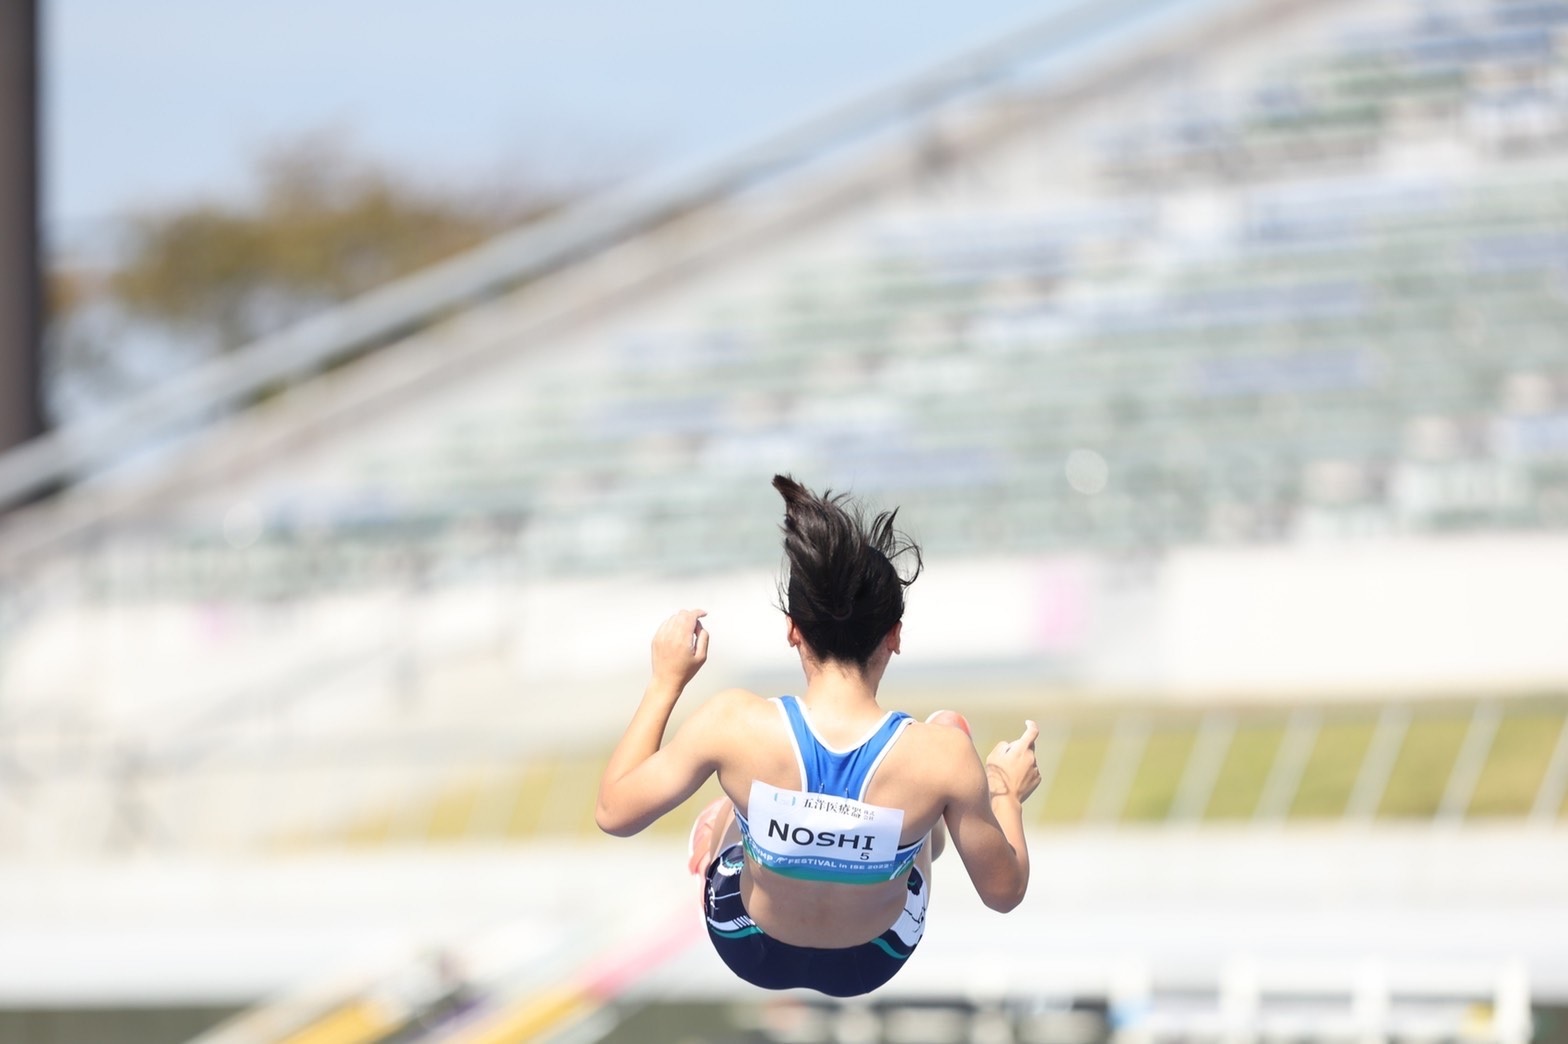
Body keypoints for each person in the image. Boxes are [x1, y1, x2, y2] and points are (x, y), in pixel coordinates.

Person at [595, 474, 1040, 997]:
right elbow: (1003, 893)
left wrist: (666, 680)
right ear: (895, 635)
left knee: (744, 796)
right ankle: (924, 826)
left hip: (746, 941)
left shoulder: (734, 724)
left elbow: (614, 813)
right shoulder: (942, 755)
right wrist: (1004, 790)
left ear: (792, 630)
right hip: (873, 957)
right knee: (942, 754)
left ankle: (724, 823)